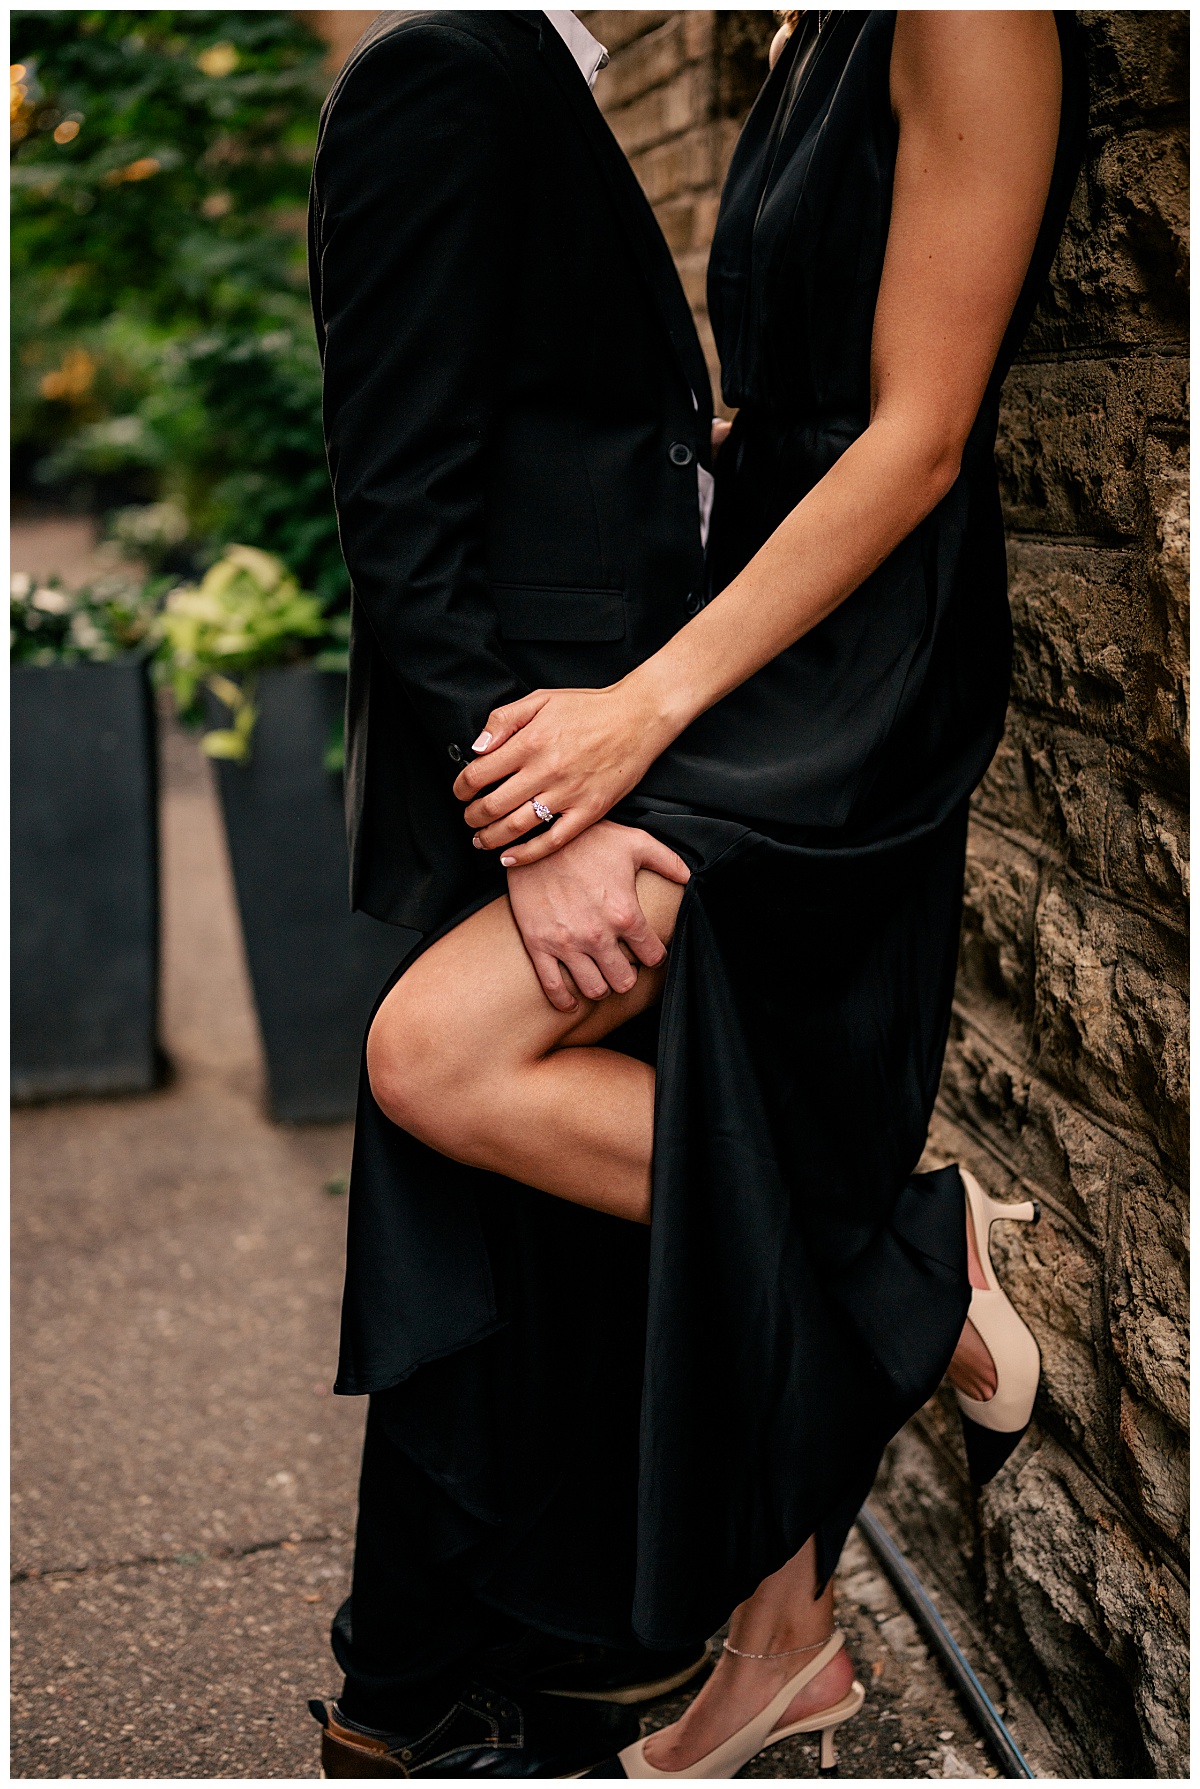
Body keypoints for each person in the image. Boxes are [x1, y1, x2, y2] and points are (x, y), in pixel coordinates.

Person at [311, 7, 1087, 1779]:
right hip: (744, 632)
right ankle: (783, 1634)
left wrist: (643, 701)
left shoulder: (976, 16)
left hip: (847, 665)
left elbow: (921, 439)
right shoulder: (808, 34)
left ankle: (896, 1258)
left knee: (440, 1050)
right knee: (688, 1078)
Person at [305, 9, 721, 1778]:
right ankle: (406, 1690)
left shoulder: (539, 80)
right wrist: (532, 825)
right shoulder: (444, 70)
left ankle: (510, 1658)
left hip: (592, 745)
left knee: (525, 1239)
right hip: (533, 767)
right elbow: (395, 498)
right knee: (462, 1226)